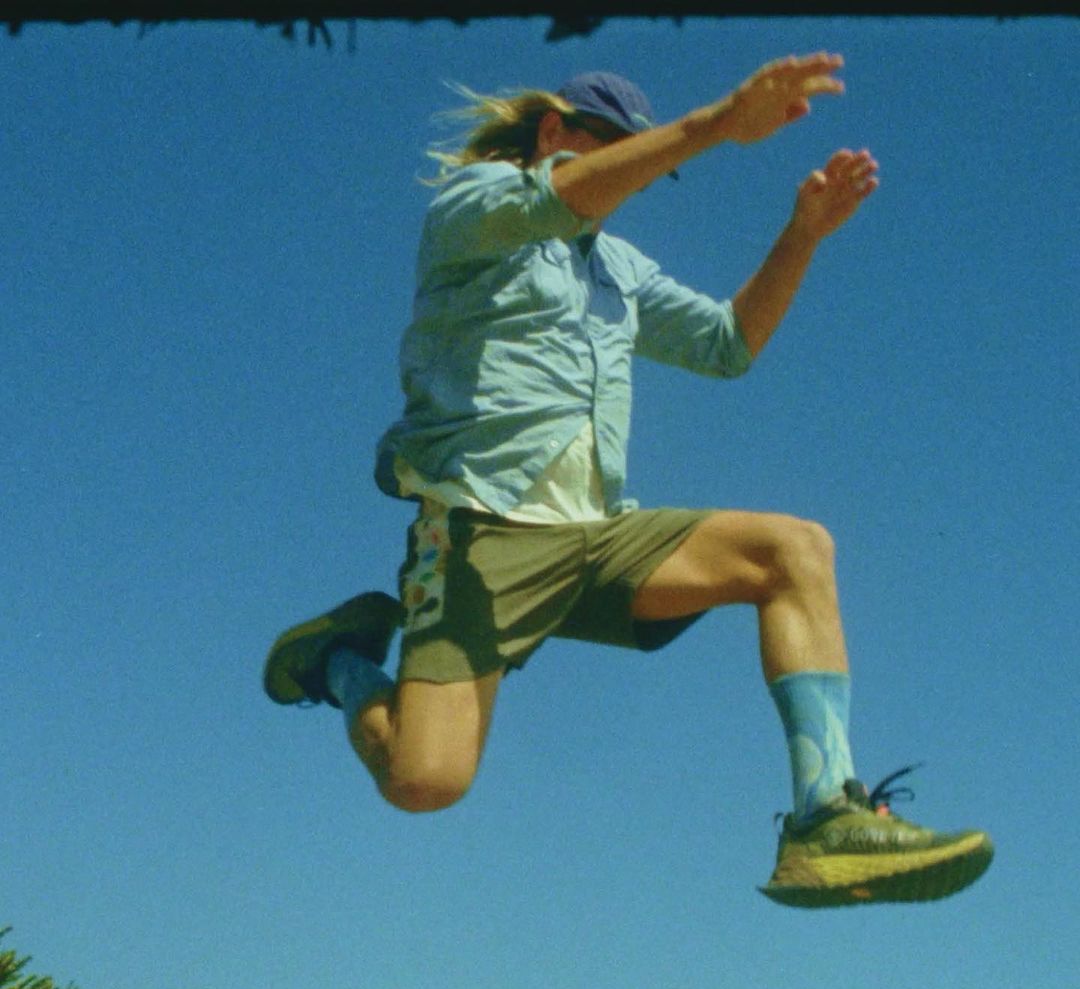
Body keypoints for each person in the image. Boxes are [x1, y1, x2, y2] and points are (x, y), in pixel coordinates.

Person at [263, 54, 993, 908]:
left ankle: (825, 814)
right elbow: (558, 199)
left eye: (633, 153)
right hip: (482, 536)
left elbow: (728, 345)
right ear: (553, 132)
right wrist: (719, 122)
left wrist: (801, 235)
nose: (625, 169)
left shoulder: (620, 272)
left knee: (794, 549)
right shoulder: (475, 208)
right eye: (606, 144)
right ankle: (342, 662)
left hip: (598, 538)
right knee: (424, 782)